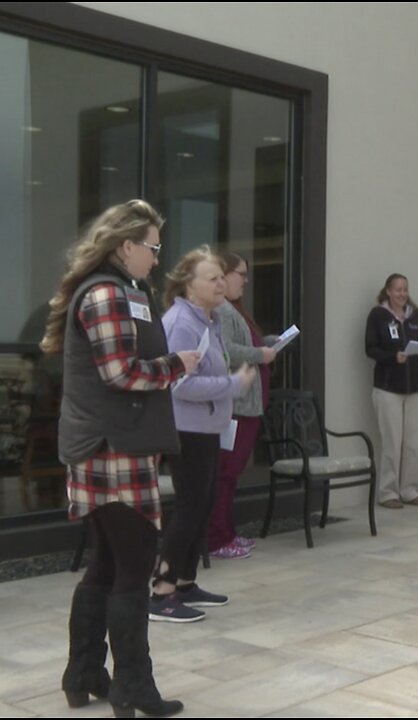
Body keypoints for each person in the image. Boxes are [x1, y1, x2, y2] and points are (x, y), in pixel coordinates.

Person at [43, 199, 196, 717]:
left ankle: (84, 671)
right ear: (125, 246)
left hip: (112, 445)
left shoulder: (127, 289)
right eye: (152, 247)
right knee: (133, 568)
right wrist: (177, 363)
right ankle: (132, 686)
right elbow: (121, 373)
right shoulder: (106, 292)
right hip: (112, 451)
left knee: (108, 565)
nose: (157, 258)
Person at [153, 246, 255, 623]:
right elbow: (178, 385)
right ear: (188, 285)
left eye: (219, 277)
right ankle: (161, 590)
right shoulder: (182, 322)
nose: (219, 283)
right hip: (188, 429)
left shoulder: (207, 321)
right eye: (211, 278)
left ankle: (184, 580)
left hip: (208, 428)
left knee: (203, 501)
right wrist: (231, 383)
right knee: (190, 505)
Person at [208, 251, 278, 559]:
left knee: (231, 473)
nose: (245, 281)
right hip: (235, 405)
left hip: (247, 405)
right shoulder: (221, 309)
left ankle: (227, 532)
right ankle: (217, 537)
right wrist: (259, 355)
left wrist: (267, 344)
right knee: (225, 472)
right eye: (240, 274)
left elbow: (243, 346)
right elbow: (227, 351)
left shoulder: (234, 309)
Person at [365, 273, 418, 509]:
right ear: (388, 291)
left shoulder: (415, 316)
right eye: (397, 290)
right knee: (392, 442)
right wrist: (392, 357)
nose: (402, 294)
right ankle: (388, 493)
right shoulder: (378, 315)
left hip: (415, 388)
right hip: (388, 388)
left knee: (411, 443)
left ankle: (409, 490)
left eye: (405, 289)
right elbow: (370, 348)